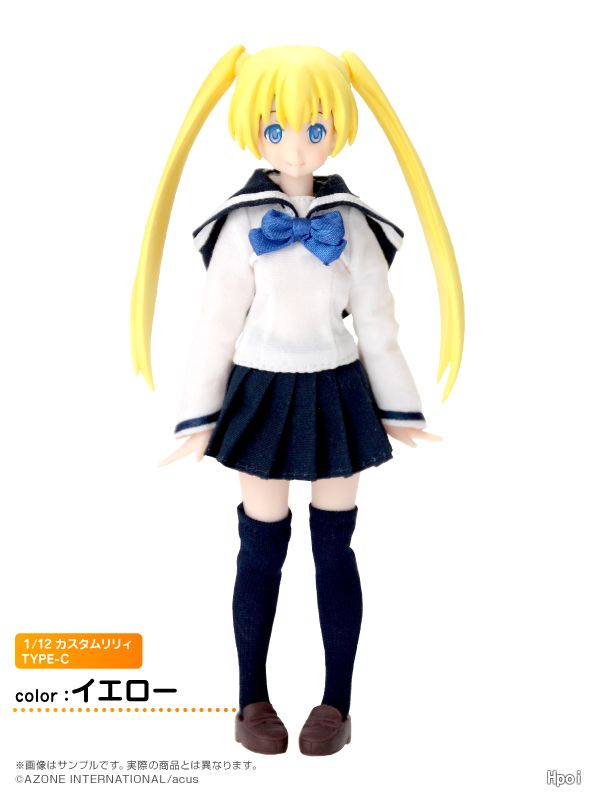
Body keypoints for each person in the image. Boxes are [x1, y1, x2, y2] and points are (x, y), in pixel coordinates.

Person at [130, 44, 464, 756]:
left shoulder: (353, 223)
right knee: (261, 545)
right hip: (261, 389)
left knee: (334, 547)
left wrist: (400, 410)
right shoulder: (242, 223)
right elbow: (216, 325)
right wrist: (198, 418)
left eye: (315, 129)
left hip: (337, 388)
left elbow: (377, 324)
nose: (297, 147)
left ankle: (337, 703)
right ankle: (250, 697)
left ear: (337, 128)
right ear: (253, 130)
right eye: (277, 129)